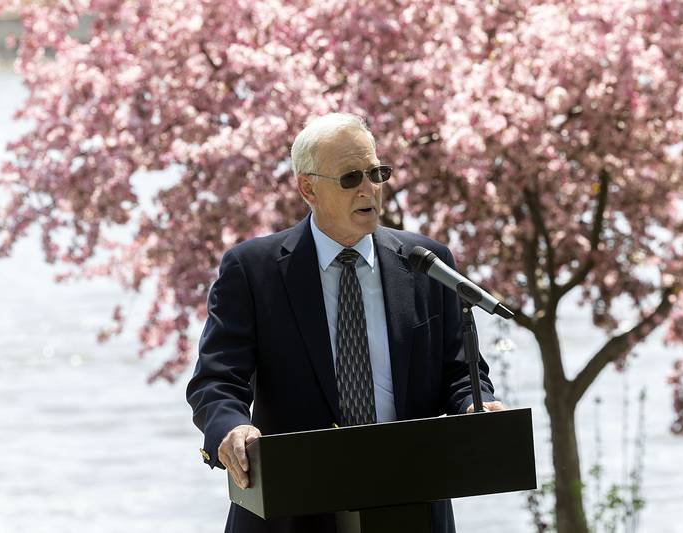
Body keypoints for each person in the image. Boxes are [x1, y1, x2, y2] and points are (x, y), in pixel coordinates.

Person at [186, 113, 505, 533]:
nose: (370, 189)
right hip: (293, 507)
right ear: (308, 188)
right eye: (352, 178)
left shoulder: (428, 264)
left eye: (377, 173)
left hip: (409, 500)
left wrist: (475, 405)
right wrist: (232, 427)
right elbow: (217, 380)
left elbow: (460, 372)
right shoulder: (253, 270)